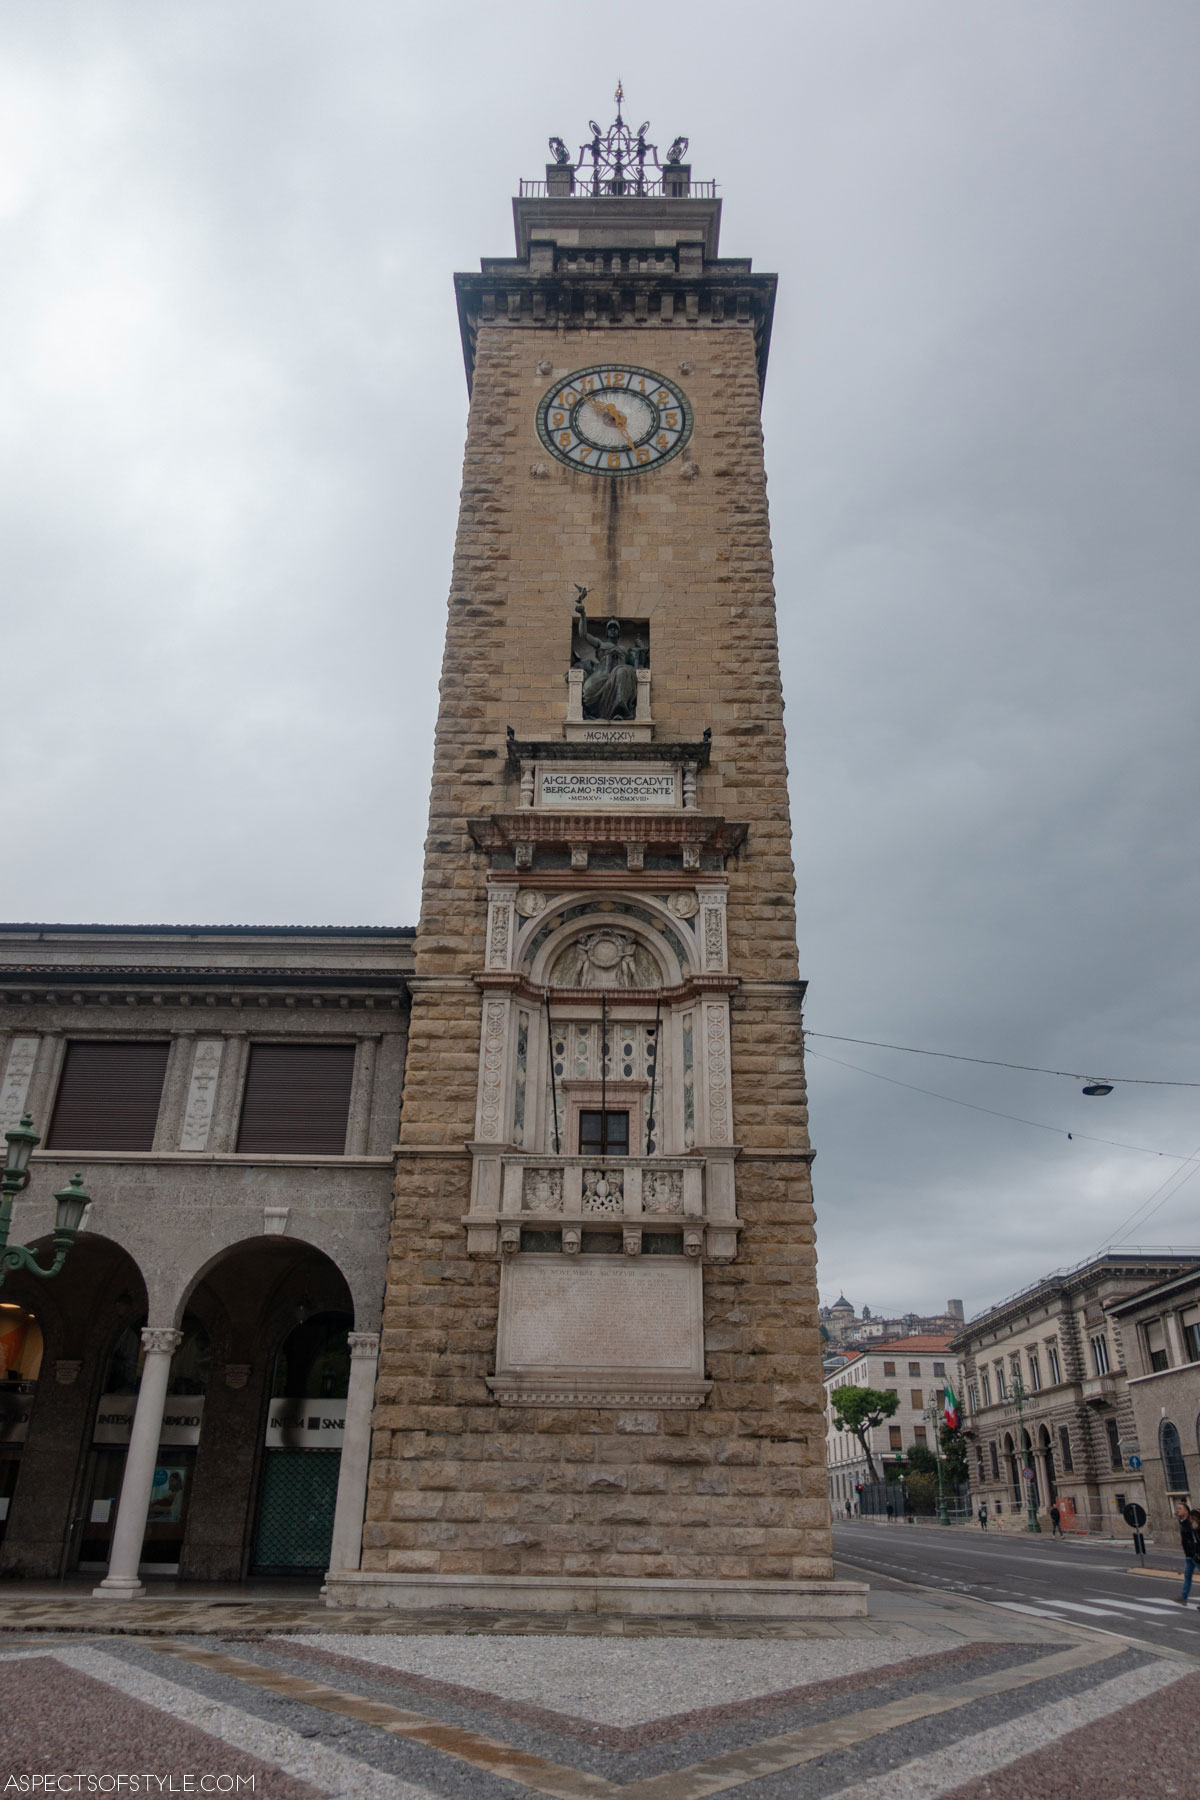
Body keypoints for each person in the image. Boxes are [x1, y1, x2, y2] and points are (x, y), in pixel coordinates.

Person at [1173, 1500, 1198, 1603]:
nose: (1177, 1510)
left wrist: (1196, 1553)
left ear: (1186, 1511)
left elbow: (1195, 1539)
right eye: (1177, 1508)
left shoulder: (1190, 1523)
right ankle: (1183, 1598)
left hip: (1196, 1555)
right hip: (1189, 1555)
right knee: (1187, 1577)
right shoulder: (1182, 1522)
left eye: (1180, 1509)